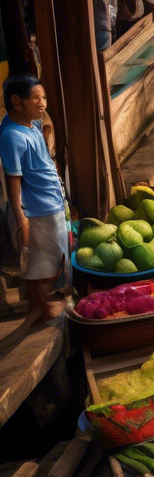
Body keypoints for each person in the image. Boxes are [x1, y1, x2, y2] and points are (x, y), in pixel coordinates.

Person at [2, 74, 66, 326]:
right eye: (36, 98)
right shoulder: (11, 136)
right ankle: (41, 309)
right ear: (17, 101)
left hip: (52, 202)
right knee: (39, 262)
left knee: (52, 257)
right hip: (37, 209)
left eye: (44, 97)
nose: (43, 104)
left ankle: (40, 307)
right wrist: (21, 215)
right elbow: (13, 179)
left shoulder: (33, 125)